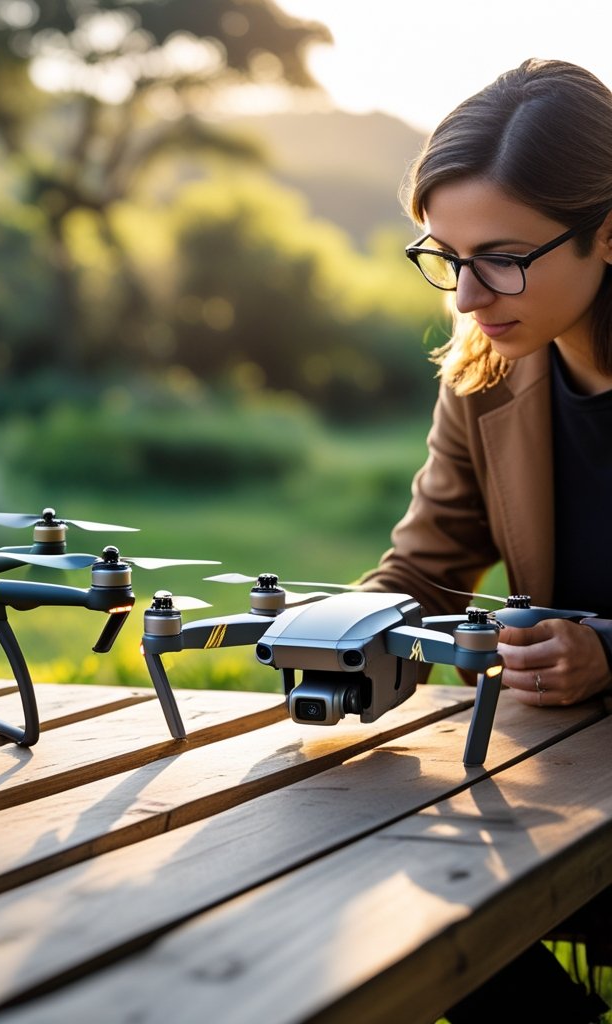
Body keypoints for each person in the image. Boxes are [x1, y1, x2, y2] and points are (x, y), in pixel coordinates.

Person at [358, 58, 612, 1023]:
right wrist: (339, 628)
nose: (466, 297)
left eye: (500, 256)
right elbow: (424, 570)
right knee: (400, 891)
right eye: (445, 257)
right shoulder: (487, 374)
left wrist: (606, 653)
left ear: (610, 230)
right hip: (566, 783)